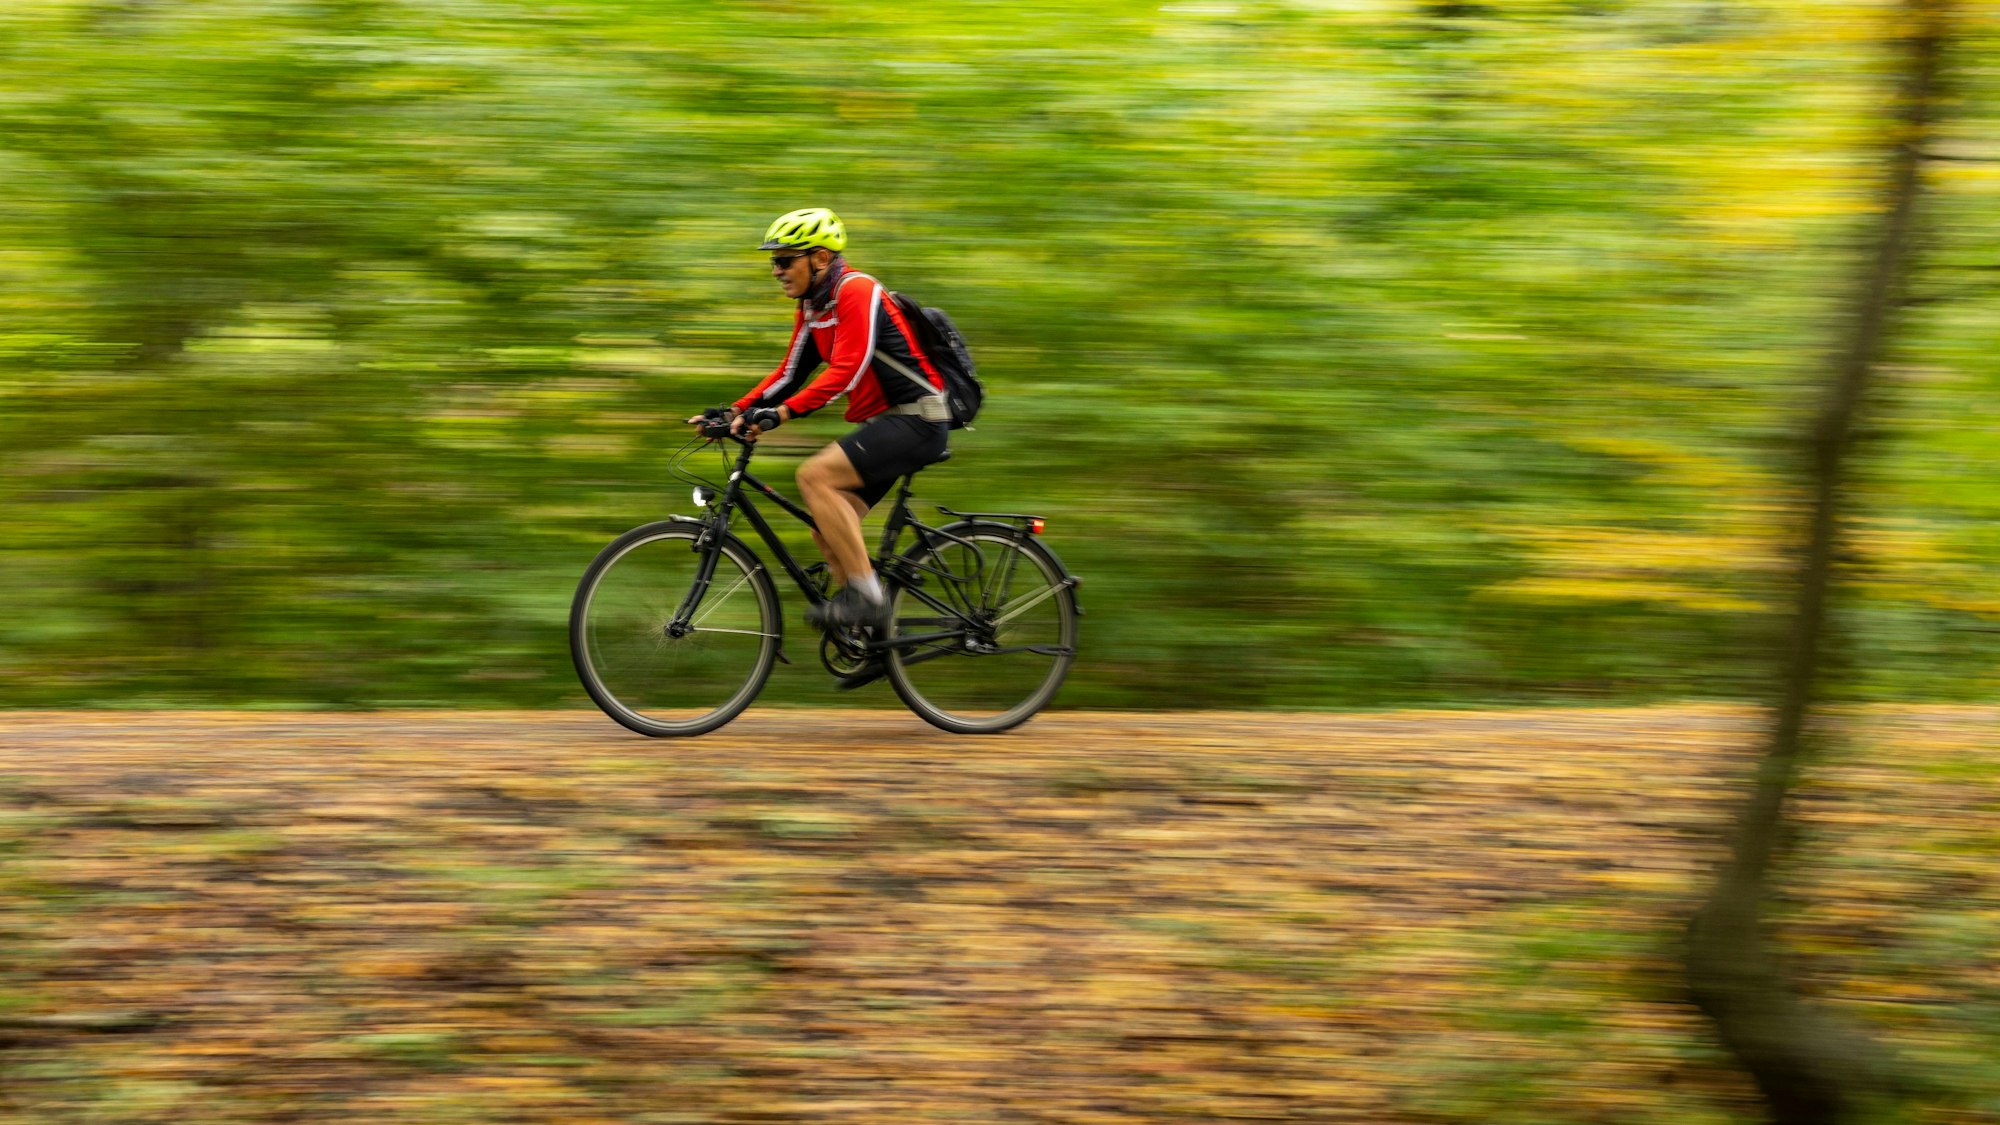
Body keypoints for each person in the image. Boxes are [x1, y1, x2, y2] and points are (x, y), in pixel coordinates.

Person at [688, 207, 952, 635]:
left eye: (784, 259)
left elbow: (846, 369)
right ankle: (872, 641)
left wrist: (781, 415)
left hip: (919, 418)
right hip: (889, 422)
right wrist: (734, 411)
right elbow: (790, 373)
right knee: (828, 530)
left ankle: (868, 598)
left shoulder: (857, 290)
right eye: (773, 261)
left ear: (821, 258)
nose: (775, 270)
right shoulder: (814, 304)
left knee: (814, 477)